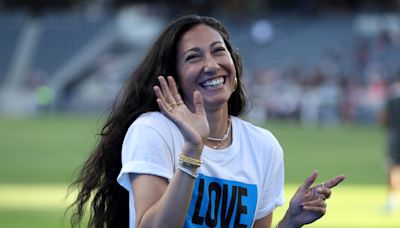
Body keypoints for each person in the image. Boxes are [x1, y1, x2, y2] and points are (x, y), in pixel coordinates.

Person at [68, 15, 345, 228]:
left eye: (218, 51)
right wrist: (193, 147)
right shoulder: (153, 131)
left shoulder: (263, 146)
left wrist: (289, 222)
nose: (211, 65)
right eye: (193, 57)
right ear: (172, 77)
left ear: (234, 65)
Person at [380, 73, 400, 213]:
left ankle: (392, 202)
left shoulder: (392, 96)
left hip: (395, 136)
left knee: (393, 169)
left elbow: (384, 119)